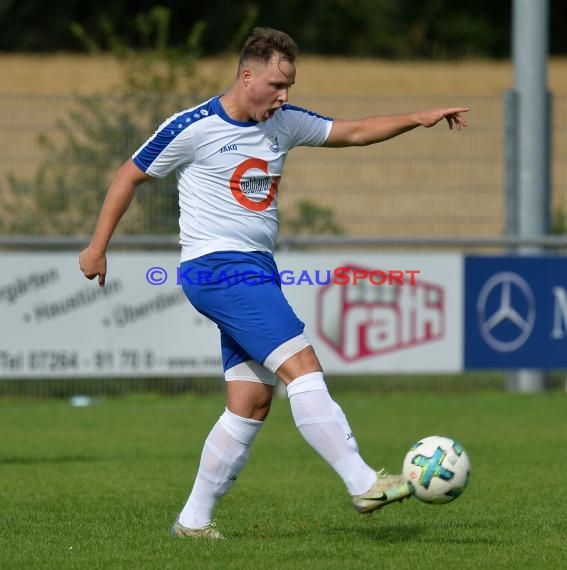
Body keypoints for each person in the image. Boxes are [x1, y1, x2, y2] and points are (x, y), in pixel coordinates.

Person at [79, 27, 468, 539]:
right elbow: (129, 175)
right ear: (247, 75)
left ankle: (192, 523)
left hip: (255, 272)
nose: (284, 96)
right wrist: (97, 246)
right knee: (302, 366)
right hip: (218, 269)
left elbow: (351, 131)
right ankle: (361, 480)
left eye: (289, 86)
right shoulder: (192, 127)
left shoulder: (283, 123)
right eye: (277, 85)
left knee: (251, 402)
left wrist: (417, 118)